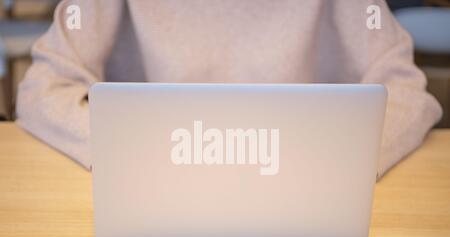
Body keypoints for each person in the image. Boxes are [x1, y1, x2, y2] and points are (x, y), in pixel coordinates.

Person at [16, 0, 442, 178]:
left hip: (302, 194)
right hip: (160, 190)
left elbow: (405, 89)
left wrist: (335, 167)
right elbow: (43, 88)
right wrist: (134, 157)